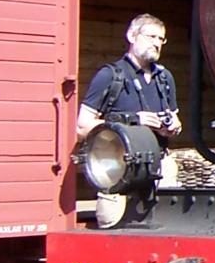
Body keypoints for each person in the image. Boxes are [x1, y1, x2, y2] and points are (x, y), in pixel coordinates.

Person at [77, 14, 181, 224]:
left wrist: (172, 127)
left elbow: (175, 120)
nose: (157, 44)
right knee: (112, 241)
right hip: (118, 175)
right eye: (151, 36)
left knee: (166, 237)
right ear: (132, 36)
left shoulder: (165, 79)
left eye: (161, 39)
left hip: (159, 171)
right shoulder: (110, 76)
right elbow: (82, 128)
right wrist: (133, 121)